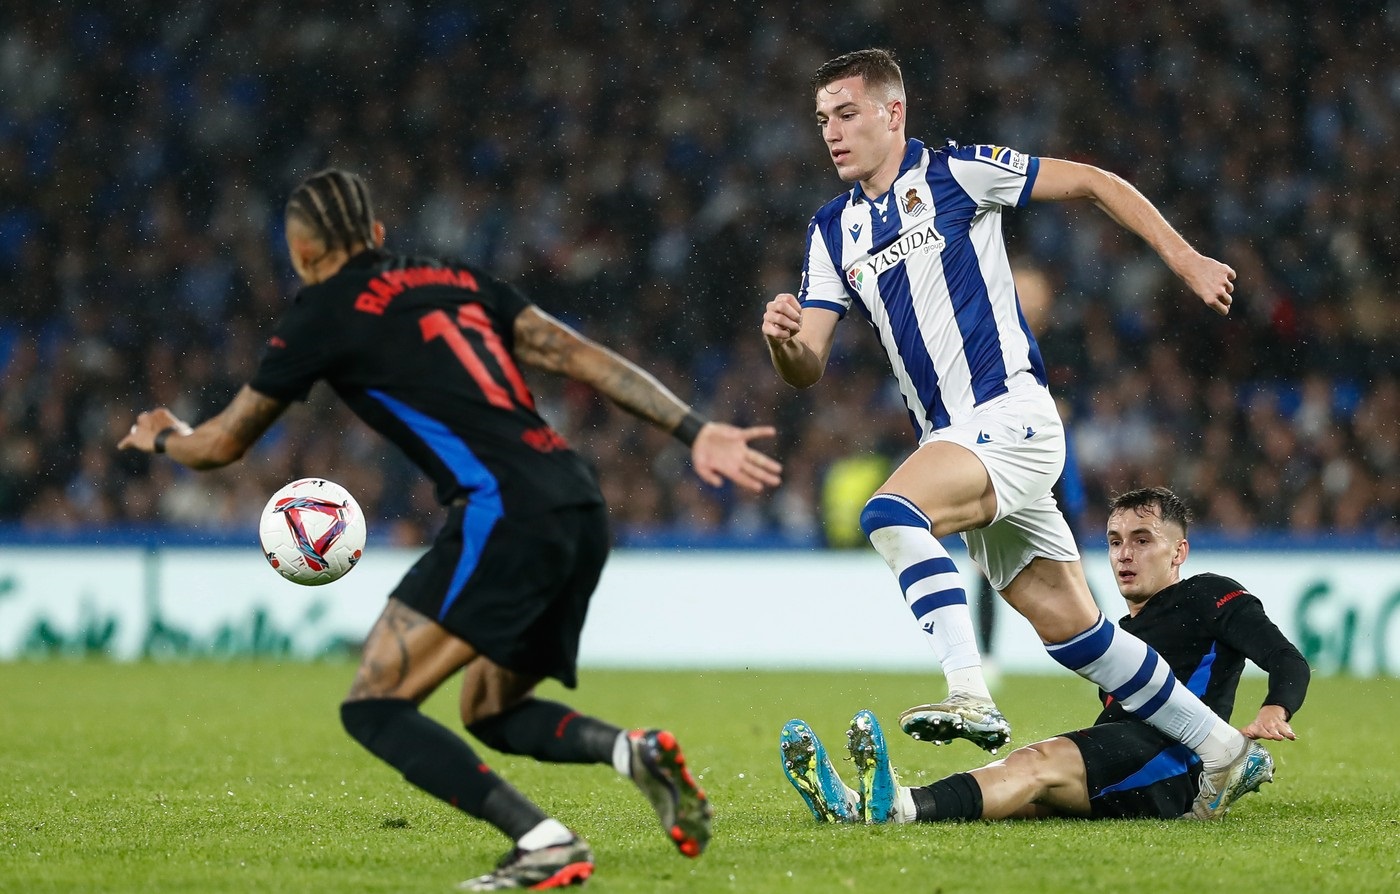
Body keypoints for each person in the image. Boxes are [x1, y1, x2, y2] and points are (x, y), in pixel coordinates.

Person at [120, 168, 783, 890]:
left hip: (505, 511)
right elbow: (575, 353)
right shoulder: (454, 276)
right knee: (491, 709)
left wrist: (163, 436)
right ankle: (631, 752)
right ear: (376, 235)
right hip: (578, 501)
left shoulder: (321, 312)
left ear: (303, 256)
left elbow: (220, 445)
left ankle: (545, 842)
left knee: (373, 705)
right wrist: (693, 429)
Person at [760, 48, 1255, 820]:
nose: (832, 131)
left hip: (1010, 418)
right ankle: (1223, 749)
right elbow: (806, 367)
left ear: (894, 113)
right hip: (957, 440)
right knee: (1076, 633)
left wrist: (1183, 257)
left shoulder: (959, 174)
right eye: (822, 119)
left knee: (890, 513)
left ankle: (969, 692)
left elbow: (1091, 181)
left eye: (847, 113)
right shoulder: (832, 232)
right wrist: (782, 338)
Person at [780, 487, 1309, 824]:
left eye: (1143, 540)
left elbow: (1288, 660)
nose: (1125, 553)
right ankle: (872, 806)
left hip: (1174, 758)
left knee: (1034, 767)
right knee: (1022, 791)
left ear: (1179, 552)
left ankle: (893, 806)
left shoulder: (1210, 593)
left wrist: (1273, 709)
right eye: (1115, 540)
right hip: (1131, 747)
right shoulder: (1125, 629)